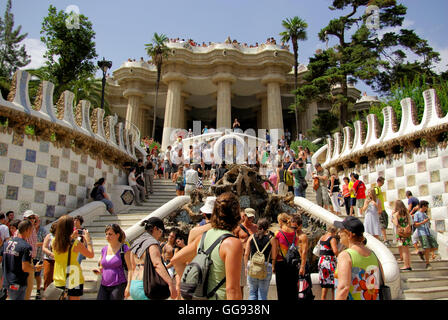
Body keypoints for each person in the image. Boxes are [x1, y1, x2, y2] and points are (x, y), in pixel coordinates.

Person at [170, 192, 243, 300]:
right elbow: (232, 289)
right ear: (236, 215)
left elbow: (176, 260)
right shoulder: (232, 243)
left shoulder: (202, 237)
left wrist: (192, 285)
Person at [334, 216, 382, 300]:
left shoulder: (346, 255)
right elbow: (381, 282)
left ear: (349, 234)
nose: (338, 234)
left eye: (341, 231)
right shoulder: (373, 255)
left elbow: (343, 288)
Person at [128, 217, 177, 300]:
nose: (161, 235)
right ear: (155, 229)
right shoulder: (152, 244)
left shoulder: (135, 243)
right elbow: (157, 264)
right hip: (146, 285)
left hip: (134, 285)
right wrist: (170, 283)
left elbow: (132, 267)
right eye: (161, 232)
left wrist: (128, 286)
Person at [52, 215, 94, 300]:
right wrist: (88, 240)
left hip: (58, 276)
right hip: (74, 276)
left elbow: (65, 243)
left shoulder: (54, 241)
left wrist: (72, 236)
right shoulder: (75, 243)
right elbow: (90, 254)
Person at [0, 220, 41, 300]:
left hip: (6, 281)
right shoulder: (26, 247)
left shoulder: (7, 243)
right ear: (27, 230)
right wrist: (35, 268)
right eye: (31, 230)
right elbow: (25, 267)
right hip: (17, 283)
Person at [244, 218, 277, 300]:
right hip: (265, 267)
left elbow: (246, 254)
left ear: (257, 226)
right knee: (263, 294)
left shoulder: (251, 237)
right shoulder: (271, 239)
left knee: (252, 293)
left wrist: (245, 267)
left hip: (252, 266)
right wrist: (273, 266)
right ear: (267, 227)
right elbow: (274, 255)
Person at [95, 224, 131, 300]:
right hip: (104, 285)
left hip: (119, 285)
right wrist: (99, 270)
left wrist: (128, 286)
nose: (107, 236)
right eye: (106, 234)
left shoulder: (124, 249)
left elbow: (131, 269)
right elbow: (102, 266)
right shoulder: (104, 249)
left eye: (110, 234)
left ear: (117, 235)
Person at [274, 213, 299, 300]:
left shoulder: (278, 233)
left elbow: (276, 250)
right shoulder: (295, 233)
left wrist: (273, 264)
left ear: (280, 221)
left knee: (282, 291)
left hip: (281, 263)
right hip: (293, 264)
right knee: (293, 289)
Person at [233, 208, 258, 297]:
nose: (250, 220)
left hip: (254, 257)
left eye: (252, 218)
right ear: (244, 216)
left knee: (254, 283)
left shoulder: (256, 227)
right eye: (249, 217)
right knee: (241, 284)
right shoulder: (238, 228)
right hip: (241, 257)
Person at [413, 200, 438, 270]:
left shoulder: (425, 214)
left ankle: (422, 253)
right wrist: (424, 222)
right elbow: (415, 224)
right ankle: (427, 263)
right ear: (423, 206)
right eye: (426, 206)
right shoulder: (417, 214)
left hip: (427, 232)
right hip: (422, 233)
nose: (427, 208)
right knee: (427, 248)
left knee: (435, 246)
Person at [317, 226, 339, 300]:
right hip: (329, 262)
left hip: (321, 261)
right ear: (335, 232)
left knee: (325, 285)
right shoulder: (332, 239)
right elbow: (335, 251)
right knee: (333, 284)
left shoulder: (322, 237)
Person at [392, 200, 413, 271]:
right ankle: (409, 264)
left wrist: (393, 218)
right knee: (407, 249)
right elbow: (410, 223)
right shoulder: (407, 214)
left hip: (401, 233)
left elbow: (396, 223)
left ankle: (406, 265)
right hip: (407, 232)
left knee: (404, 250)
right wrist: (406, 228)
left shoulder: (396, 214)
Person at [33, 215, 48, 299]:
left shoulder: (43, 230)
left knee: (37, 275)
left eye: (37, 220)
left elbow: (45, 242)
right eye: (34, 220)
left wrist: (37, 244)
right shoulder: (30, 229)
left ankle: (38, 290)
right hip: (31, 255)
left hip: (39, 256)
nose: (35, 222)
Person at [374, 177, 390, 246]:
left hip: (382, 209)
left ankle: (384, 238)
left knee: (384, 223)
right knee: (382, 224)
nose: (383, 183)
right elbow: (376, 198)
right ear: (379, 181)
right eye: (382, 182)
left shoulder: (379, 189)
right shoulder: (376, 189)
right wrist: (378, 208)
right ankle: (385, 239)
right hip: (380, 209)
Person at [42, 222, 57, 291]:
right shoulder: (49, 236)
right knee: (48, 278)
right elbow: (44, 247)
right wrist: (51, 254)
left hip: (59, 261)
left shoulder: (63, 236)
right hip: (49, 260)